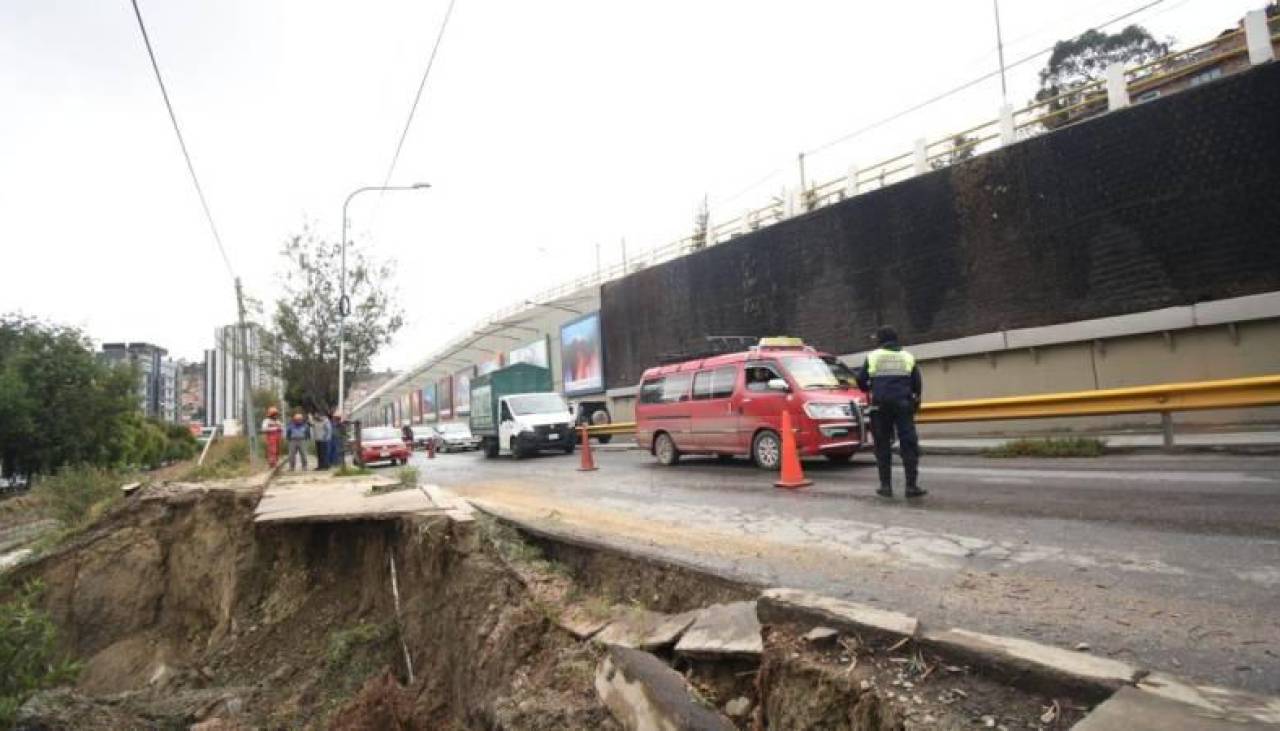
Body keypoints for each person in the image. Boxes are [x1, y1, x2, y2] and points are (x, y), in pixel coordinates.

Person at [856, 326, 925, 499]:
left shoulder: (873, 356)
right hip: (903, 405)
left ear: (880, 340)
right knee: (908, 444)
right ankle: (911, 487)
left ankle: (885, 487)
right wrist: (914, 399)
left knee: (882, 444)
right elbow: (917, 383)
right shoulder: (907, 357)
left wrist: (871, 386)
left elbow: (861, 380)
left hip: (880, 407)